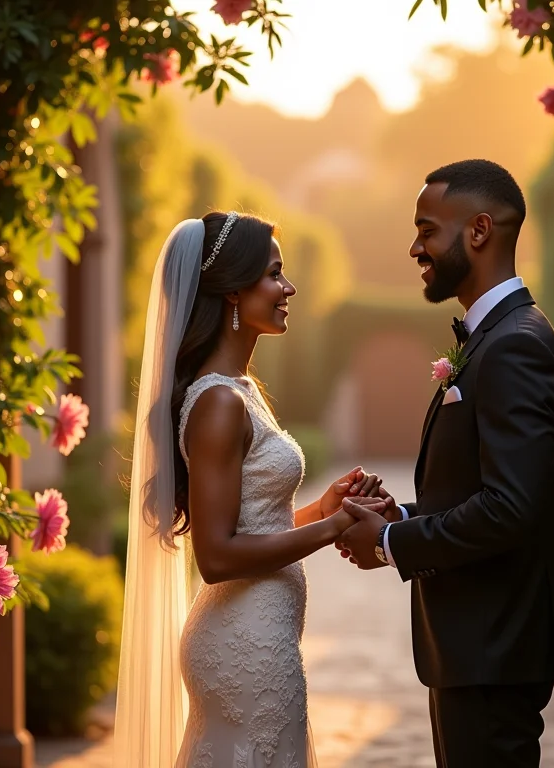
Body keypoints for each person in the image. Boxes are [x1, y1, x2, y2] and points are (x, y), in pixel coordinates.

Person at [113, 212, 388, 768]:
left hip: (260, 635)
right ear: (234, 289)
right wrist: (332, 528)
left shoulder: (240, 389)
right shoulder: (218, 404)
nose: (288, 288)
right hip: (244, 644)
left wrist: (323, 506)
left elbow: (254, 525)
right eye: (273, 275)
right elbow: (215, 557)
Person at [338, 160, 554, 768]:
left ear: (477, 231)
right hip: (478, 650)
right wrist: (405, 515)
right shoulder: (493, 338)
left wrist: (394, 541)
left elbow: (512, 508)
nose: (415, 246)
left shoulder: (515, 345)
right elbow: (488, 489)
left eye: (427, 229)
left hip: (494, 650)